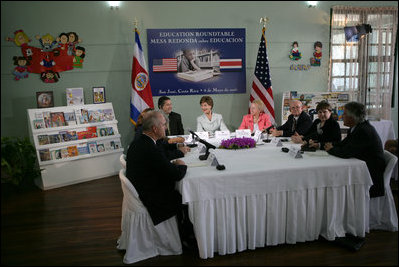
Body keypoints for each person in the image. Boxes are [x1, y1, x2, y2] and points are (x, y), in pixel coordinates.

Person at [126, 110, 187, 225]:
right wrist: (181, 165)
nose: (166, 127)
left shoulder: (140, 142)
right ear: (154, 128)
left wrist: (171, 165)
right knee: (186, 197)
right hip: (153, 199)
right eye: (163, 125)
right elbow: (176, 175)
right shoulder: (150, 148)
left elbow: (160, 165)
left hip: (144, 189)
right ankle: (184, 234)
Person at [324, 102, 385, 198]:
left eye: (344, 114)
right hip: (360, 168)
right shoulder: (356, 127)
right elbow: (342, 144)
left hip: (370, 176)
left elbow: (346, 152)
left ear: (352, 117)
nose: (341, 116)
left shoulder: (363, 131)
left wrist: (330, 149)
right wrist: (328, 145)